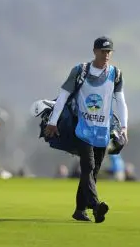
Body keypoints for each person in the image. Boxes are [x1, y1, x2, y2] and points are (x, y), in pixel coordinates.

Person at [44, 36, 129, 223]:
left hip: (103, 131)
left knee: (93, 171)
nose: (106, 55)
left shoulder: (116, 74)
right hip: (82, 128)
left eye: (109, 52)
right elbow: (63, 96)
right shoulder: (80, 71)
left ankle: (80, 210)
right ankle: (96, 206)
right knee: (88, 167)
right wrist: (53, 121)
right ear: (95, 51)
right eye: (102, 51)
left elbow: (121, 102)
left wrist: (123, 127)